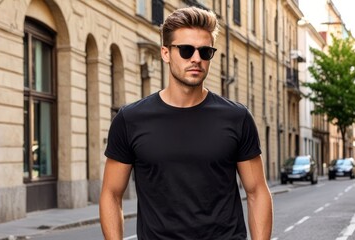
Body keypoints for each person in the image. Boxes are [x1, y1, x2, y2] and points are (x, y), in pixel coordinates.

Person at [100, 6, 273, 240]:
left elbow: (257, 191)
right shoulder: (130, 119)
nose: (196, 59)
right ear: (165, 53)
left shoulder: (237, 117)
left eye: (205, 52)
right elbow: (111, 194)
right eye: (186, 50)